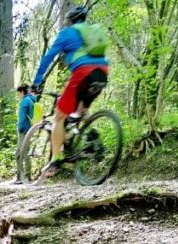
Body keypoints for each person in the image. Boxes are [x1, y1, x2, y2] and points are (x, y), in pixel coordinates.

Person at [32, 6, 110, 181]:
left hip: (82, 73)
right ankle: (92, 137)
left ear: (70, 20)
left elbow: (48, 57)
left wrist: (37, 82)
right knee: (81, 110)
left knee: (59, 116)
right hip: (102, 73)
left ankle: (56, 158)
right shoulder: (93, 32)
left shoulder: (67, 33)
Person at [15, 83, 37, 183]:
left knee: (20, 154)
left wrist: (19, 128)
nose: (18, 95)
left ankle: (22, 177)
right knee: (24, 152)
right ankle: (26, 176)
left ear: (22, 92)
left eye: (18, 93)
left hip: (23, 130)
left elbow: (23, 117)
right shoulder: (31, 100)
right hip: (29, 129)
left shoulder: (25, 101)